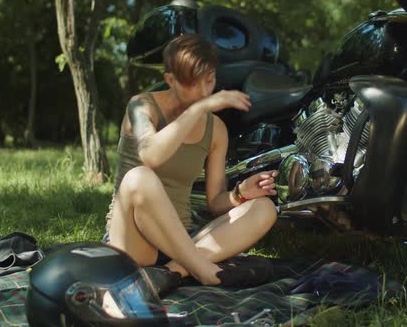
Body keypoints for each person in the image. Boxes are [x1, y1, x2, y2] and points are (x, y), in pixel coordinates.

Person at [103, 34, 278, 287]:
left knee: (264, 208)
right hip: (134, 241)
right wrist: (195, 110)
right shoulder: (141, 106)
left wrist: (241, 193)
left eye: (209, 81)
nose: (203, 92)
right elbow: (151, 155)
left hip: (184, 241)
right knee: (139, 177)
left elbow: (215, 203)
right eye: (192, 84)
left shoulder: (216, 129)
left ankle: (172, 272)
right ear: (170, 80)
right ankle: (207, 272)